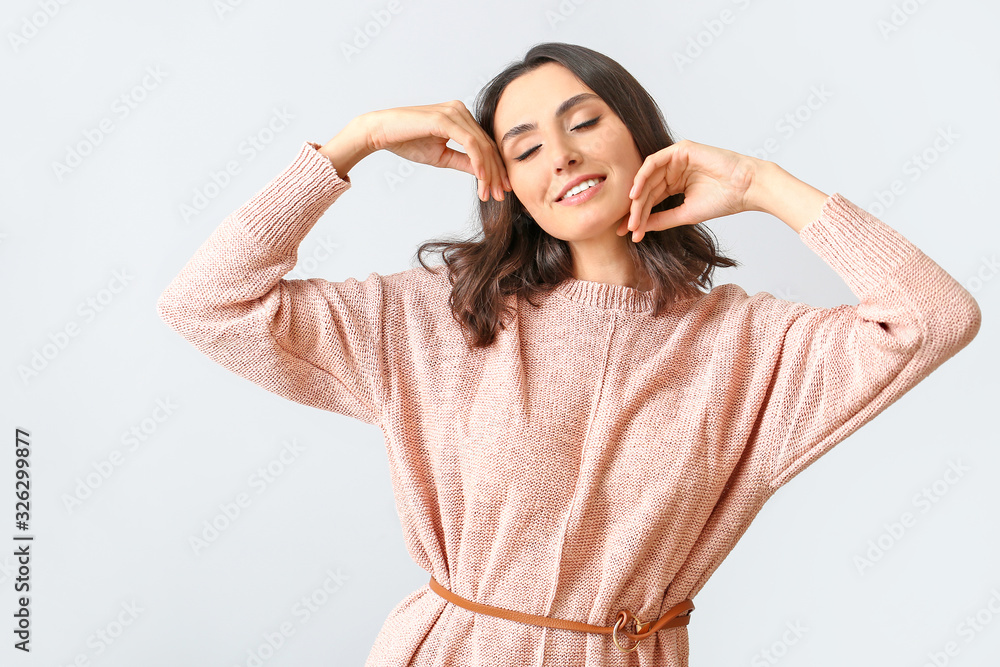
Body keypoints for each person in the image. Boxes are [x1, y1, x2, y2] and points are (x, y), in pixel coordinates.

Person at [157, 42, 982, 666]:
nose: (563, 154)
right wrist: (356, 141)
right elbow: (208, 301)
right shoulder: (439, 319)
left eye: (585, 121)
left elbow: (934, 316)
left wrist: (766, 184)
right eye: (523, 146)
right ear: (502, 183)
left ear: (642, 136)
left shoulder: (750, 346)